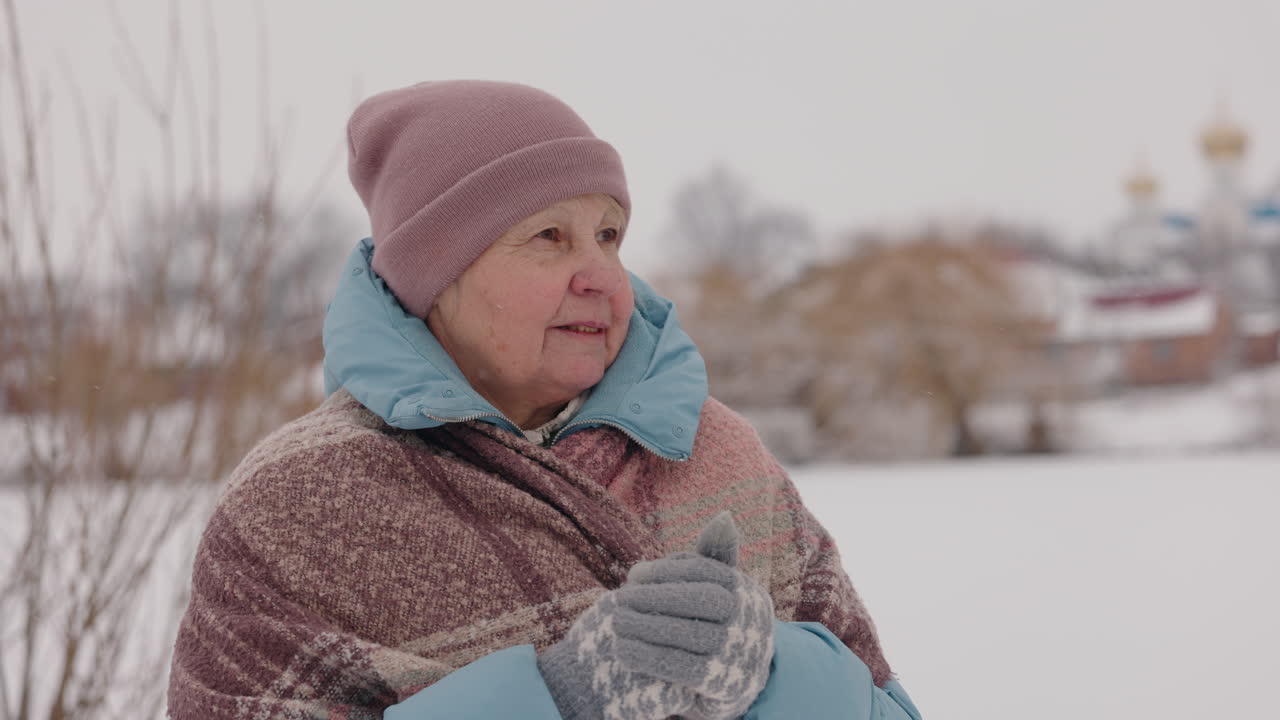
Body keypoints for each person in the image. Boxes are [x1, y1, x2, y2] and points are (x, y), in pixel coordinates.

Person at [167, 80, 922, 720]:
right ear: (437, 275)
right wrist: (561, 696)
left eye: (609, 235)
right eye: (550, 237)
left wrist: (772, 670)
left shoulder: (719, 453)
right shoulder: (297, 507)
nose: (602, 275)